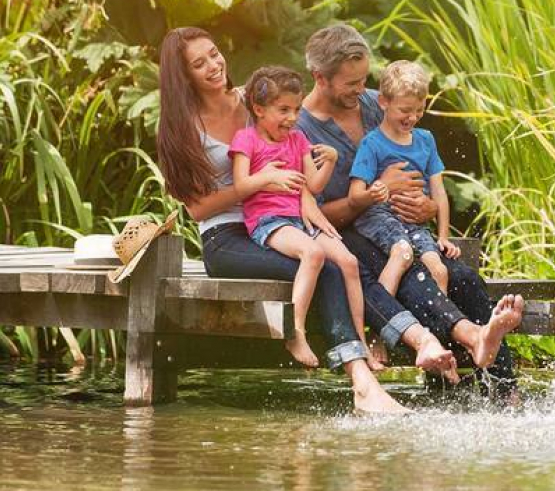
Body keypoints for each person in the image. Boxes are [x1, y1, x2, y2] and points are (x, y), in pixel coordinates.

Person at [155, 26, 446, 414]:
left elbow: (293, 160)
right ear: (183, 75)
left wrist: (307, 201)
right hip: (228, 237)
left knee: (343, 259)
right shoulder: (182, 127)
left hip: (285, 218)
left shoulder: (253, 102)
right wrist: (261, 182)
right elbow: (197, 209)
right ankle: (362, 383)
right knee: (323, 265)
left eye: (214, 53)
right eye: (199, 63)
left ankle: (383, 352)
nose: (213, 65)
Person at [296, 24, 524, 393]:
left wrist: (427, 206)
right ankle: (464, 348)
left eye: (363, 80)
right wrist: (376, 192)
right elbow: (311, 214)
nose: (361, 91)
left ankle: (503, 389)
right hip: (348, 237)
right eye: (350, 84)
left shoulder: (379, 103)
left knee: (463, 277)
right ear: (319, 78)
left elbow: (423, 174)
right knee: (412, 275)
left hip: (403, 228)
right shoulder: (301, 129)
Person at [230, 65, 380, 370]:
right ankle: (295, 331)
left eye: (296, 109)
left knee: (349, 262)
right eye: (283, 109)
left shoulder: (297, 140)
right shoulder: (246, 140)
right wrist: (268, 178)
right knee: (312, 254)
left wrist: (331, 161)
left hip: (301, 221)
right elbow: (241, 187)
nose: (292, 117)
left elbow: (313, 186)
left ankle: (361, 344)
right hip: (269, 220)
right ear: (258, 109)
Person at [349, 60, 459, 297]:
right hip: (379, 215)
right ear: (384, 102)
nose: (413, 117)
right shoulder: (372, 143)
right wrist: (375, 191)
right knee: (403, 254)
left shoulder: (426, 140)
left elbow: (438, 191)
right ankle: (385, 317)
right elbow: (355, 194)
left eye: (419, 110)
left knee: (439, 269)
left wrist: (443, 237)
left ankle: (441, 326)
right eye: (405, 110)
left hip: (415, 222)